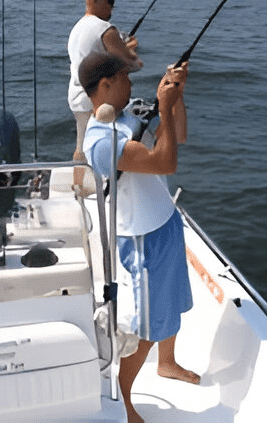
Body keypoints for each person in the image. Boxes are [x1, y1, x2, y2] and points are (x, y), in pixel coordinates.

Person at [79, 51, 200, 423]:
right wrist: (163, 105)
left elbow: (177, 136)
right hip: (141, 239)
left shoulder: (127, 113)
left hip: (164, 222)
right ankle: (125, 400)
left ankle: (168, 363)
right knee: (147, 328)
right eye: (125, 77)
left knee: (173, 304)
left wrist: (175, 97)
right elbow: (166, 163)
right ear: (105, 85)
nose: (132, 83)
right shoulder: (100, 142)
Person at [67, 0, 143, 168]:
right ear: (94, 0)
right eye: (110, 2)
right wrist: (132, 49)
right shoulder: (105, 29)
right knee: (97, 149)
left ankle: (80, 188)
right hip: (96, 99)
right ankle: (98, 188)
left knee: (82, 147)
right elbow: (133, 65)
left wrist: (121, 48)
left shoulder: (77, 28)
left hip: (77, 98)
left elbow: (97, 59)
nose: (112, 8)